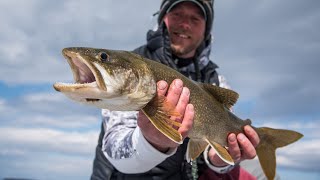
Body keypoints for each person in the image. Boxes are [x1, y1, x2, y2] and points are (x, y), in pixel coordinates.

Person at [91, 0, 276, 179]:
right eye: (177, 14)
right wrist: (153, 141)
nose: (185, 24)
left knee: (253, 171)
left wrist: (219, 160)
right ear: (163, 18)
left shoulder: (216, 80)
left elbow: (214, 156)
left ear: (206, 29)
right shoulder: (132, 68)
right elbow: (115, 149)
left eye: (195, 19)